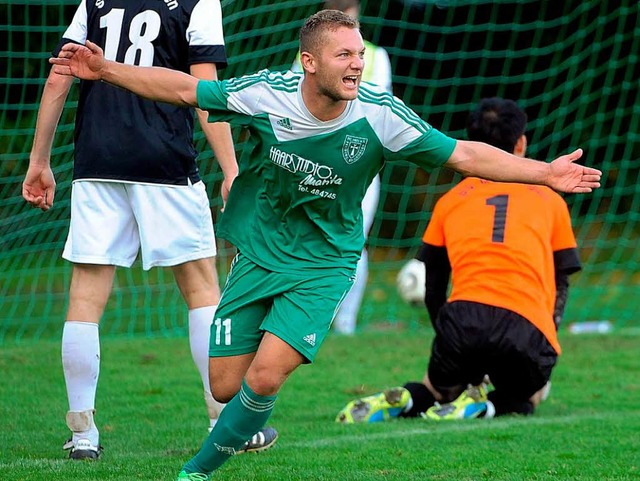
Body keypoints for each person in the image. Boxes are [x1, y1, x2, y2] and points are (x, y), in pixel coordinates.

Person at [49, 10, 601, 479]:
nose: (357, 63)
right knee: (224, 383)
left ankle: (196, 470)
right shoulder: (268, 94)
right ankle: (236, 434)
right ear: (309, 62)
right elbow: (182, 88)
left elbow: (465, 155)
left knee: (265, 376)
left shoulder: (381, 116)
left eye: (359, 53)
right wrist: (104, 70)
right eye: (343, 55)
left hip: (325, 264)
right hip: (260, 253)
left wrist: (542, 173)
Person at [22, 0, 275, 460]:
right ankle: (225, 422)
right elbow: (206, 91)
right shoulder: (200, 2)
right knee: (201, 288)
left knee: (84, 298)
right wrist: (232, 169)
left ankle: (83, 434)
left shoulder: (96, 1)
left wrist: (39, 161)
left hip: (97, 161)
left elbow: (60, 73)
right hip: (165, 160)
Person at [336, 97, 583, 424]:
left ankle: (411, 398)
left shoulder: (451, 201)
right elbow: (560, 281)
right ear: (521, 142)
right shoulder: (550, 200)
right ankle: (484, 406)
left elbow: (433, 284)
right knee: (533, 394)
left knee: (437, 388)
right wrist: (546, 335)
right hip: (526, 327)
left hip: (462, 321)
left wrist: (448, 334)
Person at [291, 0, 392, 335]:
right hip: (312, 163)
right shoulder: (307, 56)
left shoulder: (375, 57)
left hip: (355, 166)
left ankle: (344, 323)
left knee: (351, 239)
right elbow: (292, 105)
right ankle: (305, 314)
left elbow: (379, 115)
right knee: (306, 234)